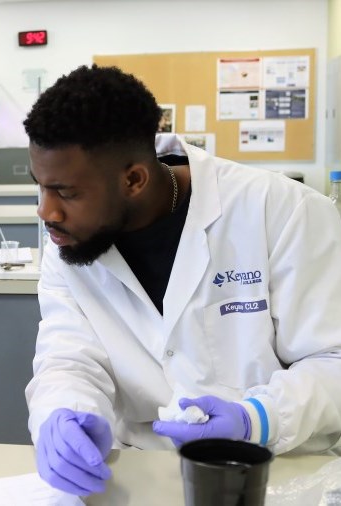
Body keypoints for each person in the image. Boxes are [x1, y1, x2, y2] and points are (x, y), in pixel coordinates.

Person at [23, 64, 341, 496]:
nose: (46, 212)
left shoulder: (280, 210)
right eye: (39, 186)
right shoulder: (70, 241)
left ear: (134, 179)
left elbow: (333, 359)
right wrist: (63, 415)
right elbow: (68, 358)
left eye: (66, 192)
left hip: (277, 474)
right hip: (142, 474)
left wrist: (255, 418)